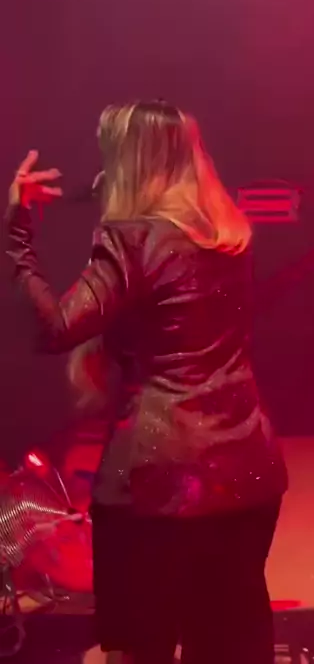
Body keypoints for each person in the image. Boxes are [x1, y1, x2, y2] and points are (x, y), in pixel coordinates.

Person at [5, 100, 288, 664]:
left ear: (128, 161)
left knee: (143, 641)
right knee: (228, 638)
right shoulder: (228, 234)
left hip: (161, 480)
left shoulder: (132, 239)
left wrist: (17, 233)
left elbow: (55, 329)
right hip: (248, 468)